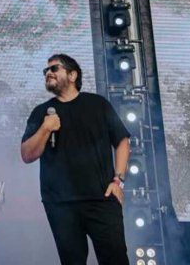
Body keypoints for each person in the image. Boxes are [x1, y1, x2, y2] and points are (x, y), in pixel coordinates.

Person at [20, 54, 130, 265]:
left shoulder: (97, 104)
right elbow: (27, 154)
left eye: (54, 68)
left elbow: (122, 141)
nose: (48, 73)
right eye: (46, 71)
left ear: (72, 75)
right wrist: (45, 127)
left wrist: (118, 180)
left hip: (101, 199)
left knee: (115, 260)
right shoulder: (41, 112)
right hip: (60, 204)